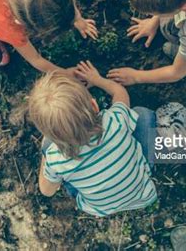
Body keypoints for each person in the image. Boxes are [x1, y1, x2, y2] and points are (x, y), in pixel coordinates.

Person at [26, 62, 158, 216]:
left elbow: (47, 191)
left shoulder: (56, 160)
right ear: (94, 106)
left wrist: (47, 153)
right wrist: (97, 80)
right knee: (142, 115)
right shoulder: (114, 121)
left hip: (100, 208)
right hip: (143, 194)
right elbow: (119, 93)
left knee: (60, 167)